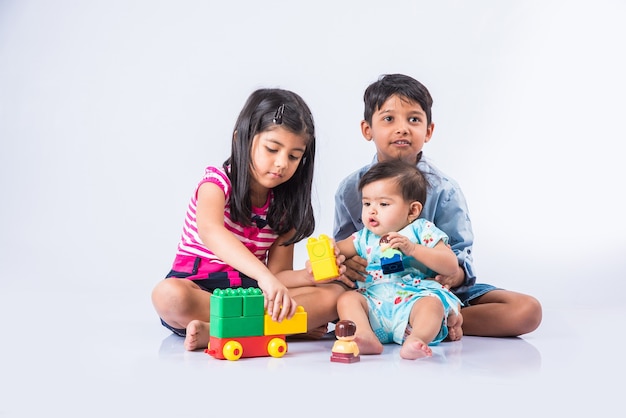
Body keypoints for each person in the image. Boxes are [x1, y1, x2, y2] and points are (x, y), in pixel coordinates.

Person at [333, 74, 542, 340]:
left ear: (428, 131)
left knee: (526, 310)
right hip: (375, 291)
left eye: (414, 119)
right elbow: (340, 248)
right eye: (388, 119)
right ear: (367, 130)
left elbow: (459, 255)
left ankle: (437, 320)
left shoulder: (444, 189)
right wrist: (345, 264)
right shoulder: (350, 189)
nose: (402, 128)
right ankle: (399, 323)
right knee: (337, 300)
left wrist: (452, 276)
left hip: (430, 291)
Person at [152, 88, 348, 351]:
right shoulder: (216, 184)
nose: (281, 163)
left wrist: (308, 276)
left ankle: (220, 331)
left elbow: (278, 276)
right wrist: (265, 278)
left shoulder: (285, 208)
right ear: (241, 139)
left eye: (293, 156)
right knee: (168, 295)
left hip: (252, 295)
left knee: (335, 295)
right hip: (200, 290)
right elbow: (211, 232)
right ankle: (270, 328)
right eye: (272, 149)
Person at [334, 160, 462, 360]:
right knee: (347, 299)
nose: (372, 211)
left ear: (412, 211)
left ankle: (417, 340)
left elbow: (450, 264)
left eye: (383, 204)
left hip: (413, 300)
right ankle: (365, 336)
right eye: (367, 203)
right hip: (374, 303)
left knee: (431, 305)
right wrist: (325, 253)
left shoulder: (421, 230)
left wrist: (413, 249)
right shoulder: (364, 236)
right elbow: (336, 250)